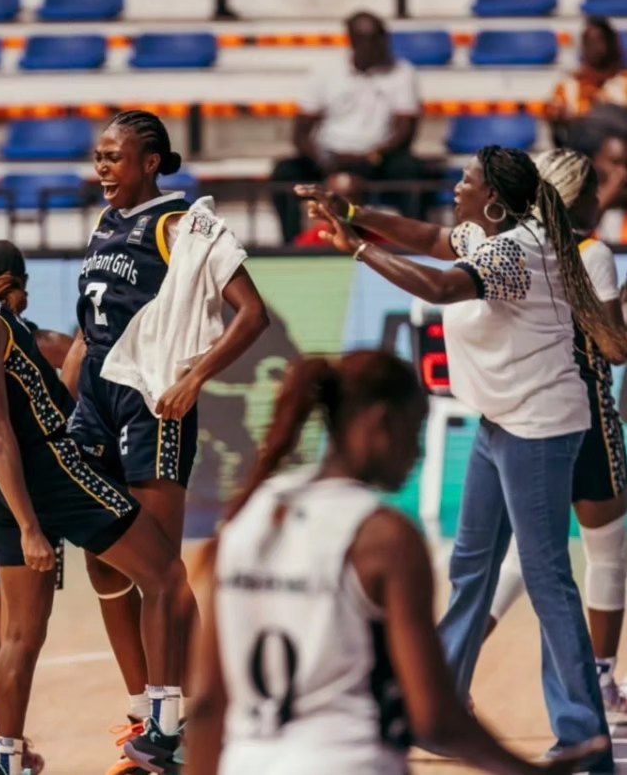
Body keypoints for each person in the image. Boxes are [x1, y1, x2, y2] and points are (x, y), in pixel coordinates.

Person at [297, 145, 624, 772]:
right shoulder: (489, 234)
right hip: (498, 421)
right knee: (472, 565)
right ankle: (436, 710)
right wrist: (354, 212)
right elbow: (430, 238)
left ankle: (584, 739)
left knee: (547, 578)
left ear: (493, 199)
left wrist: (359, 248)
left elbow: (442, 284)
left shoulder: (517, 251)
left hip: (538, 428)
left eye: (466, 181)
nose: (456, 189)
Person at [183, 351, 608, 775]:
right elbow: (434, 717)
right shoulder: (384, 537)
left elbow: (205, 704)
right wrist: (528, 772)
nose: (418, 452)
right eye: (415, 430)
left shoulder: (246, 519)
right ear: (382, 422)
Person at [0, 214, 192, 775]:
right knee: (165, 575)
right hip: (45, 468)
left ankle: (7, 759)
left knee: (20, 635)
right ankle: (166, 729)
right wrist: (30, 527)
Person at [61, 109, 268, 773]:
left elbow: (252, 314)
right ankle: (145, 710)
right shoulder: (105, 223)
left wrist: (194, 378)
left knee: (159, 569)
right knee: (102, 559)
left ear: (149, 161)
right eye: (98, 156)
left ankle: (174, 721)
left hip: (151, 402)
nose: (102, 167)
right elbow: (86, 331)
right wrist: (61, 400)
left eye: (113, 156)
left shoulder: (182, 223)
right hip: (96, 399)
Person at [483, 149, 627, 719]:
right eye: (595, 192)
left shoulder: (517, 246)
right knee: (607, 550)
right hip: (585, 408)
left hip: (526, 408)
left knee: (526, 555)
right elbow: (614, 347)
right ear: (582, 197)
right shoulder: (593, 253)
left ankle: (453, 663)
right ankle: (601, 680)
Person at [0, 238, 73, 775]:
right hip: (23, 490)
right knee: (21, 631)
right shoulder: (43, 345)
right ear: (21, 286)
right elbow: (74, 411)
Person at [269, 11, 424, 244]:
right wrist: (323, 159)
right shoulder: (325, 72)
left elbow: (406, 131)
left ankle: (416, 245)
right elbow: (301, 132)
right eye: (370, 39)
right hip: (328, 158)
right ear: (353, 41)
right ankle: (291, 246)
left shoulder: (402, 72)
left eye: (381, 37)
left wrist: (373, 156)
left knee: (411, 171)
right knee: (285, 173)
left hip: (377, 160)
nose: (379, 44)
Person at [549, 18, 626, 145]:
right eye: (588, 41)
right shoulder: (568, 86)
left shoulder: (624, 82)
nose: (594, 47)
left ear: (612, 44)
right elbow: (556, 129)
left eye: (599, 40)